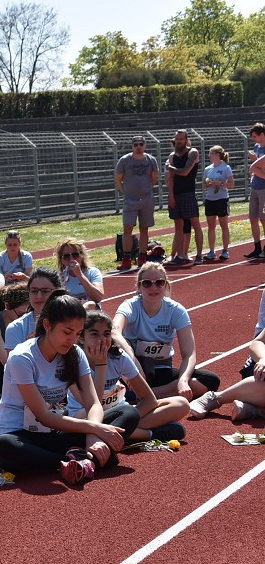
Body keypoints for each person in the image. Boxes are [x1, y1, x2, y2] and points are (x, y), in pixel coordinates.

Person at [0, 295, 139, 483]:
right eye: (67, 332)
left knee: (128, 412)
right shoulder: (22, 357)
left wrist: (93, 436)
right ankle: (77, 460)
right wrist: (96, 428)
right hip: (22, 436)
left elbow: (93, 402)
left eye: (78, 334)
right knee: (3, 446)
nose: (72, 340)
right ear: (47, 325)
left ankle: (78, 459)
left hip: (56, 433)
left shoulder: (75, 353)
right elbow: (43, 415)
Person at [71, 310, 188, 442]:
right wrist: (101, 365)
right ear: (81, 337)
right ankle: (151, 434)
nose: (102, 340)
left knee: (181, 403)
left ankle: (123, 433)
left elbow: (149, 400)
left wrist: (127, 420)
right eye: (94, 334)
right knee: (83, 420)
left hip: (121, 413)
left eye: (106, 334)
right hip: (86, 418)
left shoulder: (118, 357)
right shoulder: (74, 361)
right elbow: (93, 405)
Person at [112, 262, 220, 401]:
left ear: (166, 285)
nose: (154, 288)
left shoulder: (176, 310)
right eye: (147, 283)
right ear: (139, 286)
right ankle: (145, 393)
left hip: (161, 370)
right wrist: (134, 363)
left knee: (210, 380)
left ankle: (144, 395)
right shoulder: (130, 306)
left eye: (159, 283)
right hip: (131, 372)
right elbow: (114, 331)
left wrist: (183, 381)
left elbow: (189, 354)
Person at [189, 326, 265, 421]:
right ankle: (216, 398)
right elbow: (258, 342)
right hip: (259, 371)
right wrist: (262, 358)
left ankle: (255, 411)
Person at [115, 135, 159, 270]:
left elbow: (154, 178)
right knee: (127, 228)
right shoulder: (124, 160)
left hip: (146, 199)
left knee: (144, 229)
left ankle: (142, 257)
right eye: (136, 144)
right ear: (132, 146)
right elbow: (118, 179)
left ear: (145, 145)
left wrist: (145, 191)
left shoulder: (151, 160)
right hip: (130, 200)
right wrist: (126, 193)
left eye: (141, 144)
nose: (138, 146)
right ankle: (126, 259)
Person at [165, 130, 203, 266]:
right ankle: (180, 255)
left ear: (186, 140)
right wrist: (171, 195)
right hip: (176, 193)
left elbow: (186, 172)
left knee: (195, 223)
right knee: (178, 226)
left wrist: (171, 168)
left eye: (181, 139)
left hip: (188, 193)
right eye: (177, 139)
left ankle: (199, 255)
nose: (179, 141)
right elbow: (171, 179)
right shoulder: (172, 156)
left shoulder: (193, 152)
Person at [4, 268, 63, 353]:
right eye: (34, 291)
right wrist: (28, 347)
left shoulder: (72, 321)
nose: (39, 296)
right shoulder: (16, 328)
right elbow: (14, 365)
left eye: (45, 291)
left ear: (58, 292)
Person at [202, 145, 234, 262]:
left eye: (211, 153)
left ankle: (225, 250)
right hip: (210, 199)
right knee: (211, 226)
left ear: (217, 155)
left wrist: (220, 183)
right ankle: (211, 251)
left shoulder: (226, 168)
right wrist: (207, 184)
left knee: (224, 225)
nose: (209, 156)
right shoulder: (207, 169)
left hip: (221, 199)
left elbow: (231, 184)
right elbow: (203, 184)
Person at [56, 238, 103, 308]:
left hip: (92, 314)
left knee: (90, 304)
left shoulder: (92, 272)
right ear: (61, 260)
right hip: (70, 314)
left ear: (82, 256)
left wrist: (80, 275)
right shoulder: (58, 278)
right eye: (66, 256)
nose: (71, 259)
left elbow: (98, 297)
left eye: (75, 255)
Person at [245, 123, 265, 260]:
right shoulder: (256, 147)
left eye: (255, 136)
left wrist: (255, 161)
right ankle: (257, 247)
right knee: (253, 218)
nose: (253, 139)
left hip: (264, 187)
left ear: (262, 135)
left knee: (264, 219)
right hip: (255, 186)